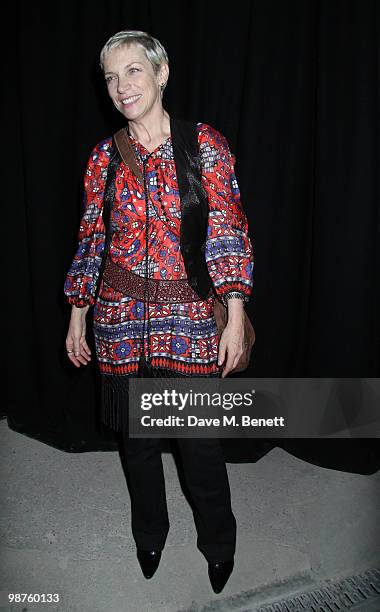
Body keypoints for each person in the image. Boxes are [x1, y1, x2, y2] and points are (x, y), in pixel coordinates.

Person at [64, 30, 254, 594]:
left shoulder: (205, 146)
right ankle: (150, 532)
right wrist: (77, 311)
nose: (122, 87)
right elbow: (91, 240)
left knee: (200, 451)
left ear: (161, 73)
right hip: (119, 321)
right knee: (138, 447)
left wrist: (236, 312)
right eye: (111, 77)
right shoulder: (103, 158)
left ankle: (218, 543)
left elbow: (228, 230)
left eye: (133, 72)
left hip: (190, 321)